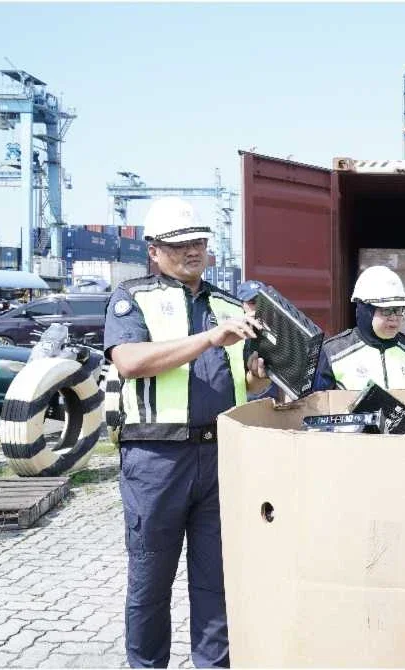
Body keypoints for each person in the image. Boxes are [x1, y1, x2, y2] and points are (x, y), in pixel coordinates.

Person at [104, 197, 269, 668]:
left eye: (198, 242)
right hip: (156, 459)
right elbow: (129, 361)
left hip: (219, 457)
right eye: (179, 245)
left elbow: (243, 382)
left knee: (215, 582)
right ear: (154, 251)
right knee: (151, 581)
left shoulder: (227, 304)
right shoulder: (131, 297)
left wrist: (257, 375)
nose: (192, 251)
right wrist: (211, 339)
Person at [315, 265, 405, 391]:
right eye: (386, 310)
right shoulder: (332, 353)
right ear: (365, 310)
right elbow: (317, 405)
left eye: (399, 309)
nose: (394, 317)